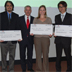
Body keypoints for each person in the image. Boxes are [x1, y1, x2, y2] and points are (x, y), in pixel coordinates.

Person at [0, 1, 21, 72]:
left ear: (12, 7)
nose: (9, 7)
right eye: (7, 5)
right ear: (5, 7)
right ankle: (4, 70)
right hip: (3, 41)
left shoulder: (16, 16)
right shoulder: (1, 15)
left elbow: (18, 27)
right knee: (3, 57)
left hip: (13, 41)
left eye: (10, 5)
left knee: (12, 57)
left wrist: (19, 36)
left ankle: (11, 70)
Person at [31, 5, 52, 72]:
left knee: (45, 55)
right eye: (41, 10)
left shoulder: (49, 19)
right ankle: (38, 70)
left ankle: (45, 70)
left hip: (45, 39)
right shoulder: (35, 19)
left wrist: (50, 33)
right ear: (39, 11)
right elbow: (33, 29)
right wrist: (32, 32)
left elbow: (50, 29)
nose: (42, 11)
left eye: (43, 10)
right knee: (38, 55)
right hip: (37, 38)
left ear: (45, 11)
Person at [54, 1, 72, 72]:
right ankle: (58, 69)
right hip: (58, 39)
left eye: (63, 7)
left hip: (67, 40)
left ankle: (69, 69)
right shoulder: (56, 16)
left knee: (68, 56)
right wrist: (54, 32)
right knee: (58, 56)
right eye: (60, 7)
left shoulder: (70, 16)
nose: (61, 8)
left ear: (66, 7)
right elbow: (56, 27)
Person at [19, 5, 34, 72]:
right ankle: (23, 68)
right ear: (24, 11)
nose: (28, 11)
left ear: (31, 11)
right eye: (26, 10)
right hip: (22, 40)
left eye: (29, 10)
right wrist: (18, 37)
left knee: (30, 54)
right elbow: (18, 29)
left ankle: (30, 67)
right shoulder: (20, 18)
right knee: (22, 54)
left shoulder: (34, 19)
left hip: (30, 40)